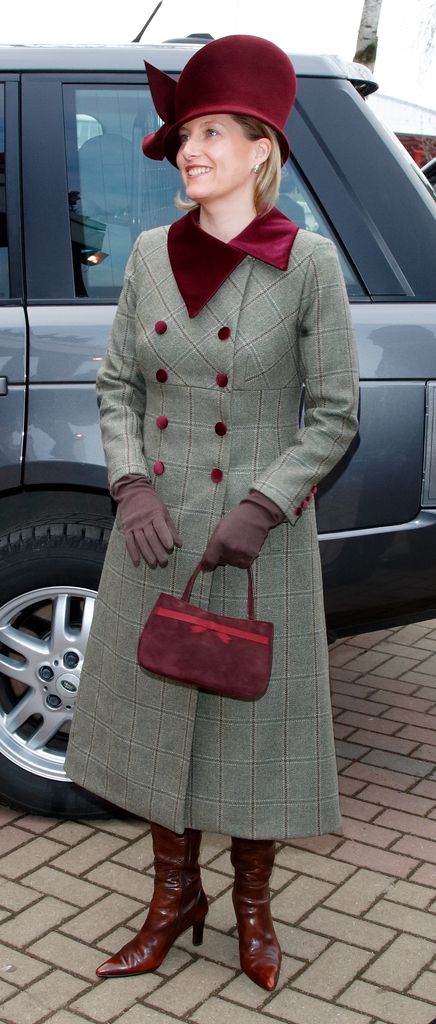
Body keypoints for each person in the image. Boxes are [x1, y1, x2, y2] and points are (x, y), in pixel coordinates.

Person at [66, 34, 359, 991]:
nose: (190, 149)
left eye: (214, 133)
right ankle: (170, 899)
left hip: (255, 545)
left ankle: (253, 911)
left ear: (259, 149)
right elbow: (116, 384)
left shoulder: (306, 264)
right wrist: (129, 481)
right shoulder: (149, 255)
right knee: (158, 719)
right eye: (185, 133)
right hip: (159, 533)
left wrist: (268, 503)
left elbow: (337, 412)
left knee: (253, 730)